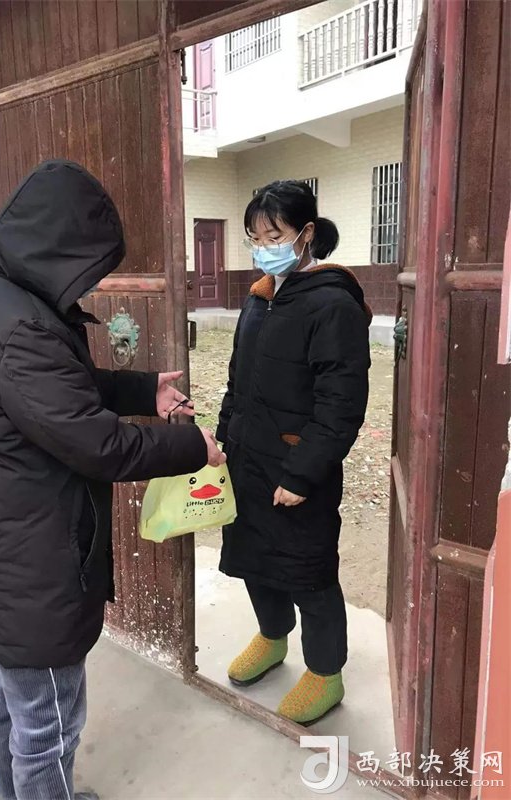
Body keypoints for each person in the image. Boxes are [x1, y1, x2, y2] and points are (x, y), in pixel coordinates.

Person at [0, 160, 225, 800]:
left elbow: (58, 393)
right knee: (48, 725)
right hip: (34, 562)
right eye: (89, 265)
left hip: (5, 550)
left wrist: (143, 389)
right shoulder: (22, 328)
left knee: (11, 699)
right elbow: (99, 445)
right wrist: (192, 445)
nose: (89, 282)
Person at [216, 180, 371, 725]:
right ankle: (272, 636)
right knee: (255, 559)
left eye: (274, 236)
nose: (263, 248)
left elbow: (341, 405)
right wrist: (223, 441)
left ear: (305, 234)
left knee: (309, 572)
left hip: (298, 467)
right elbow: (237, 379)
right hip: (248, 458)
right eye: (254, 238)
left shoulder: (333, 304)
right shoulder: (259, 298)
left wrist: (303, 475)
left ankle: (326, 673)